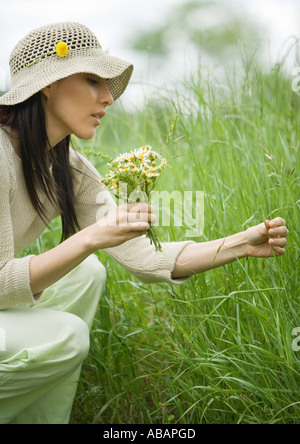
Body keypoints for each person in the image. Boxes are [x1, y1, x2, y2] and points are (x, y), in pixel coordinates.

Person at [0, 21, 289, 424]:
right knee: (68, 336)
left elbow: (141, 257)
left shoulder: (69, 169)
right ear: (47, 84)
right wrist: (91, 238)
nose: (107, 98)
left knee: (86, 273)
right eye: (91, 80)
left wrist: (241, 243)